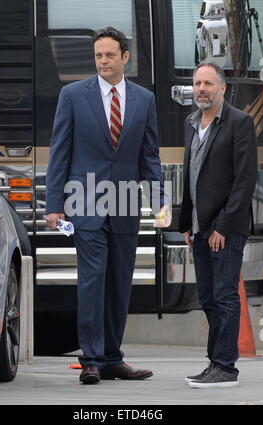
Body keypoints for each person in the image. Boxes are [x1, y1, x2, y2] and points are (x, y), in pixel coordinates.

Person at [45, 27, 170, 384]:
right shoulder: (72, 95)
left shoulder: (144, 100)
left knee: (120, 283)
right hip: (86, 204)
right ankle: (92, 360)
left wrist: (159, 203)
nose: (103, 61)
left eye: (110, 55)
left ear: (124, 57)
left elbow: (150, 158)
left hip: (126, 204)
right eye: (98, 55)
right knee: (92, 281)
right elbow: (60, 152)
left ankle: (113, 358)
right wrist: (55, 205)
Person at [179, 62, 257, 389]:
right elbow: (190, 177)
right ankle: (215, 362)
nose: (202, 89)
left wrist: (223, 226)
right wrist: (186, 222)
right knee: (208, 297)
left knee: (225, 296)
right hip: (198, 228)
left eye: (208, 83)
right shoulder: (191, 122)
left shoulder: (240, 122)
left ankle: (225, 366)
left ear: (222, 88)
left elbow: (244, 180)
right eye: (197, 83)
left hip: (225, 227)